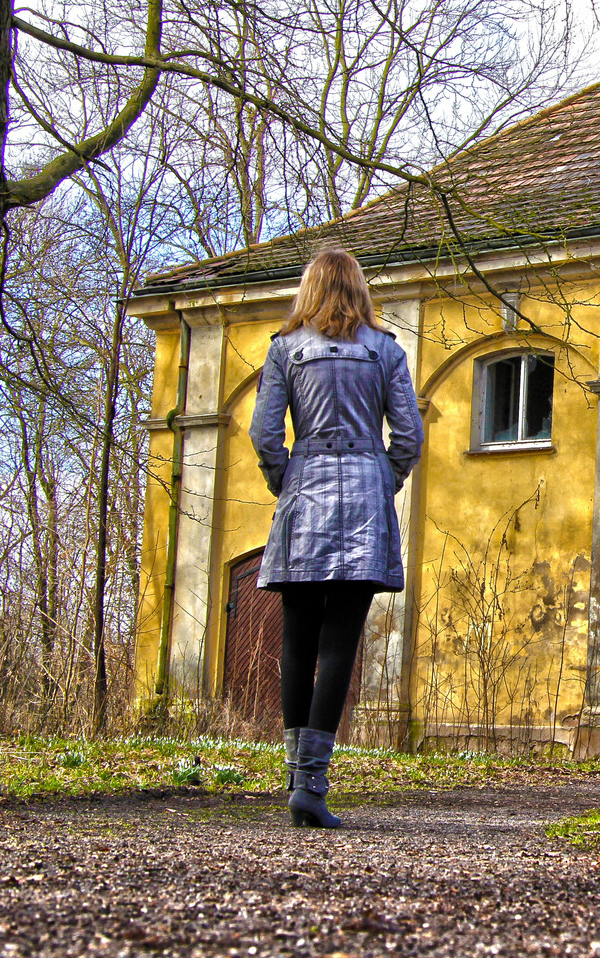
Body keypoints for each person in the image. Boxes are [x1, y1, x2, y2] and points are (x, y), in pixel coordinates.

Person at [249, 248, 423, 827]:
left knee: (297, 641)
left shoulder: (286, 349)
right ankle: (313, 785)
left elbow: (265, 433)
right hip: (366, 501)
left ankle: (296, 779)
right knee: (340, 642)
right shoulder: (386, 350)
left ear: (309, 289)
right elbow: (409, 437)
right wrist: (383, 476)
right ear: (360, 290)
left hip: (304, 492)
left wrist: (288, 479)